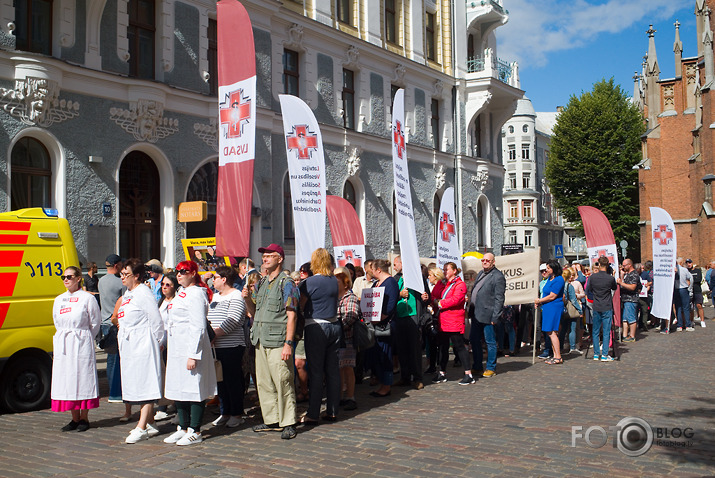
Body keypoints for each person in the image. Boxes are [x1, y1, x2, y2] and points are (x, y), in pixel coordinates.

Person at [243, 244, 300, 440]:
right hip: (260, 338)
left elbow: (292, 316)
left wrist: (288, 343)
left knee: (283, 381)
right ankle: (272, 419)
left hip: (278, 341)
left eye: (269, 256)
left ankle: (289, 421)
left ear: (280, 259)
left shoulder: (287, 283)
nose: (265, 259)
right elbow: (253, 311)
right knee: (264, 383)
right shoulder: (262, 282)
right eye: (264, 256)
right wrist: (246, 300)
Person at [163, 260, 217, 446]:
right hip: (177, 345)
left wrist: (193, 354)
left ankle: (195, 429)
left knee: (193, 388)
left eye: (184, 271)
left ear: (193, 273)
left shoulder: (195, 294)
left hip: (190, 346)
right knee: (179, 387)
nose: (179, 274)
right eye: (177, 271)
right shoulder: (181, 293)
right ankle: (183, 427)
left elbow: (198, 326)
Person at [116, 259, 165, 444]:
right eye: (121, 274)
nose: (122, 277)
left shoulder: (143, 292)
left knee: (145, 383)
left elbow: (155, 319)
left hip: (143, 343)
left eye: (125, 274)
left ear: (136, 275)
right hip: (130, 345)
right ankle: (151, 423)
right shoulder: (128, 293)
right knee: (135, 382)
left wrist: (158, 341)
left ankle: (141, 426)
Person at [51, 266, 102, 432]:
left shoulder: (87, 298)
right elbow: (56, 321)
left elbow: (95, 322)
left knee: (83, 377)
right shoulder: (59, 299)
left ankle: (84, 418)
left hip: (81, 341)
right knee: (68, 378)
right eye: (63, 277)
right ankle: (73, 417)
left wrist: (85, 336)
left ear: (78, 278)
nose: (66, 279)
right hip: (65, 342)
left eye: (69, 276)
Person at [299, 248, 341, 424]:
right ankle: (332, 411)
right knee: (332, 371)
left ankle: (313, 413)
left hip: (316, 326)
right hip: (334, 325)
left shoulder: (308, 283)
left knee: (316, 371)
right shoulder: (334, 281)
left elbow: (300, 306)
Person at [208, 266, 248, 428]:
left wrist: (213, 335)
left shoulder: (236, 296)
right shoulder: (215, 296)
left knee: (232, 381)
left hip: (231, 346)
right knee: (221, 382)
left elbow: (233, 320)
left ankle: (236, 413)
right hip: (216, 347)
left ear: (224, 279)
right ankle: (225, 412)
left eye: (216, 277)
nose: (213, 280)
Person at [432, 262, 473, 384]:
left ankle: (468, 374)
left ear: (454, 271)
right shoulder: (446, 284)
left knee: (459, 346)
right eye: (444, 270)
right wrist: (435, 300)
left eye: (447, 269)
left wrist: (440, 303)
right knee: (443, 347)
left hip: (454, 320)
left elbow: (456, 299)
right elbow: (436, 294)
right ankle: (442, 372)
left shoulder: (460, 284)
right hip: (444, 320)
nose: (444, 272)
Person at [468, 253, 506, 376]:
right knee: (474, 340)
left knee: (490, 342)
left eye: (487, 260)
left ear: (493, 262)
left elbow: (499, 299)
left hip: (488, 314)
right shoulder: (481, 273)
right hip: (476, 313)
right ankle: (477, 365)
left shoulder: (498, 276)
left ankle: (491, 367)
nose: (484, 262)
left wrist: (495, 316)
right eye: (483, 260)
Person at [367, 259, 399, 397]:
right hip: (375, 323)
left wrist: (378, 318)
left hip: (385, 324)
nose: (371, 272)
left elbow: (390, 306)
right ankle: (381, 383)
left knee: (385, 354)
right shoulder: (376, 283)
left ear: (378, 270)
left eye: (372, 269)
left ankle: (386, 385)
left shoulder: (391, 283)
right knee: (377, 355)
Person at [392, 255, 425, 390]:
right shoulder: (396, 279)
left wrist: (425, 297)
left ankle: (417, 378)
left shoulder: (416, 277)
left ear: (402, 263)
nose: (394, 267)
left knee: (414, 349)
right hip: (399, 316)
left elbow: (425, 295)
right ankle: (404, 376)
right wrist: (399, 294)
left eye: (395, 264)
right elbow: (392, 295)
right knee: (402, 349)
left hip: (412, 316)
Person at [98, 254, 125, 405]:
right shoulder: (119, 282)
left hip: (105, 323)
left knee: (110, 359)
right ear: (116, 265)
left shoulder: (101, 280)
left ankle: (111, 387)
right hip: (115, 323)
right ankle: (116, 390)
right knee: (117, 359)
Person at [155, 272, 178, 422]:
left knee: (174, 375)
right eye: (162, 284)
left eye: (168, 285)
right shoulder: (161, 302)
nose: (164, 287)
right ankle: (162, 406)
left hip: (173, 343)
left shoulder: (177, 302)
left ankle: (176, 406)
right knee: (162, 375)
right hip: (161, 344)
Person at [335, 267, 359, 411]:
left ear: (345, 284)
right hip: (337, 339)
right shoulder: (334, 298)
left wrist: (335, 327)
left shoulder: (350, 297)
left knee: (348, 368)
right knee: (339, 369)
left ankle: (350, 396)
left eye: (337, 282)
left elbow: (351, 317)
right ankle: (340, 396)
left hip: (347, 338)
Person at [585, 256, 617, 361]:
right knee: (606, 331)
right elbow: (614, 288)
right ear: (607, 265)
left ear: (599, 264)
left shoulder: (592, 277)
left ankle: (596, 354)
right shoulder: (610, 278)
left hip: (596, 306)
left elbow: (589, 289)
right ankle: (604, 354)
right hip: (606, 306)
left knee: (595, 331)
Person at [535, 259, 565, 365]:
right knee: (549, 332)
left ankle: (558, 356)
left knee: (552, 332)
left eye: (548, 268)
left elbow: (552, 296)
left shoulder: (559, 280)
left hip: (554, 307)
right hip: (547, 307)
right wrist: (539, 302)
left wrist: (540, 300)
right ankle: (555, 354)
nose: (546, 270)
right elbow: (545, 292)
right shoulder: (549, 279)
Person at [424, 265, 446, 374]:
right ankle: (433, 365)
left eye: (430, 275)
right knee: (432, 343)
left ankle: (438, 366)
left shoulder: (440, 286)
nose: (428, 277)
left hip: (438, 317)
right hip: (433, 316)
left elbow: (441, 300)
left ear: (436, 276)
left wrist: (433, 302)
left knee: (438, 343)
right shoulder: (434, 286)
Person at [559, 268, 583, 354]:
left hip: (562, 309)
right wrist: (580, 310)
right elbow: (573, 300)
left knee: (563, 329)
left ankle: (560, 346)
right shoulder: (569, 286)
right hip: (570, 310)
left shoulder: (560, 285)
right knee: (572, 329)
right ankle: (572, 347)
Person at [617, 259, 640, 342]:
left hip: (631, 299)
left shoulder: (634, 274)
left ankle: (632, 335)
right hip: (625, 299)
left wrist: (621, 283)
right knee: (625, 318)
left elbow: (633, 287)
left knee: (631, 318)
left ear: (629, 265)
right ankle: (624, 335)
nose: (623, 267)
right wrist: (622, 277)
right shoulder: (628, 274)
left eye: (624, 265)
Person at [674, 257, 693, 332]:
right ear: (681, 263)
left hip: (676, 289)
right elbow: (689, 278)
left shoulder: (673, 270)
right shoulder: (684, 270)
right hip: (683, 289)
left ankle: (680, 325)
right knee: (686, 307)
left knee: (678, 307)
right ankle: (688, 325)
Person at [686, 259, 704, 328]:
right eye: (687, 263)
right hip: (690, 291)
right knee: (691, 307)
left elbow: (698, 279)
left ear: (692, 263)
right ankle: (692, 321)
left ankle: (702, 321)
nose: (688, 264)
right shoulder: (687, 271)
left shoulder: (697, 270)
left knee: (699, 305)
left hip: (697, 290)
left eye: (690, 263)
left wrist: (690, 280)